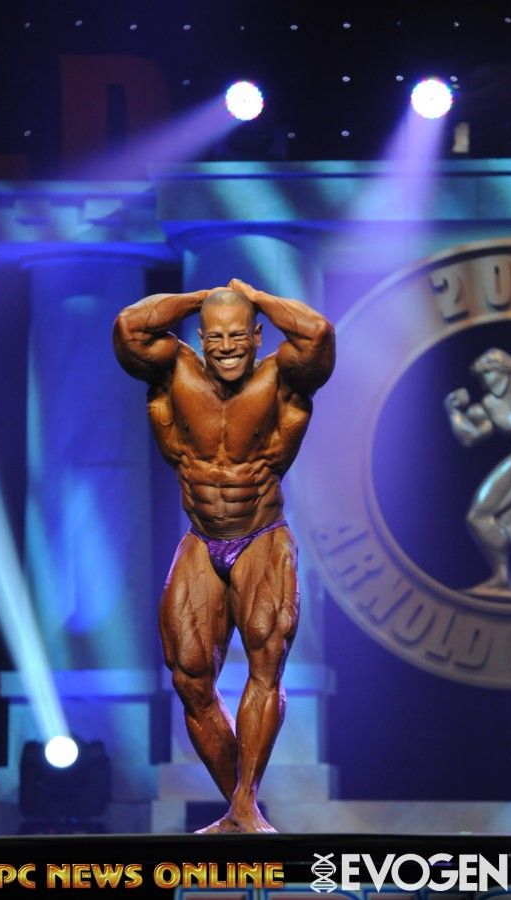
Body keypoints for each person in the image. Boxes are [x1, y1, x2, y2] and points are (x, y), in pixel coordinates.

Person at [113, 278, 335, 832]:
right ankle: (242, 807)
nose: (227, 347)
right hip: (201, 537)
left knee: (265, 664)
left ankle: (244, 805)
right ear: (200, 337)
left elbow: (317, 333)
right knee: (189, 679)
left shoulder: (283, 378)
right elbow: (128, 327)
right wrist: (199, 298)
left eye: (238, 335)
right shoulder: (174, 370)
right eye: (215, 336)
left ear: (258, 335)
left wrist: (254, 296)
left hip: (262, 535)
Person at [444, 324, 511, 597]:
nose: (485, 381)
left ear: (504, 368)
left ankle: (503, 578)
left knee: (478, 515)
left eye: (488, 373)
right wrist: (453, 412)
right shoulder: (490, 405)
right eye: (481, 377)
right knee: (507, 526)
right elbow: (470, 437)